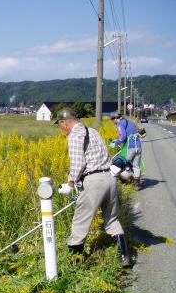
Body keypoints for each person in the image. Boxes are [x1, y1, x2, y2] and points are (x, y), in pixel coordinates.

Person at [55, 107, 131, 267]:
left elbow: (78, 163)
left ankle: (75, 263)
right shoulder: (93, 132)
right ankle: (125, 256)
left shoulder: (74, 135)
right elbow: (106, 156)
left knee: (80, 222)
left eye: (59, 125)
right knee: (112, 219)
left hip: (93, 181)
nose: (60, 128)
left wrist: (70, 183)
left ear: (65, 123)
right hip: (109, 178)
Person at [109, 111, 142, 187]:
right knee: (136, 165)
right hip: (138, 145)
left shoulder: (120, 124)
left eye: (112, 120)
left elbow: (123, 136)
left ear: (116, 118)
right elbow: (131, 133)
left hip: (129, 147)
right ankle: (137, 184)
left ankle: (123, 180)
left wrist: (115, 143)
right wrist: (117, 140)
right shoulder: (130, 122)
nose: (113, 122)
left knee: (122, 163)